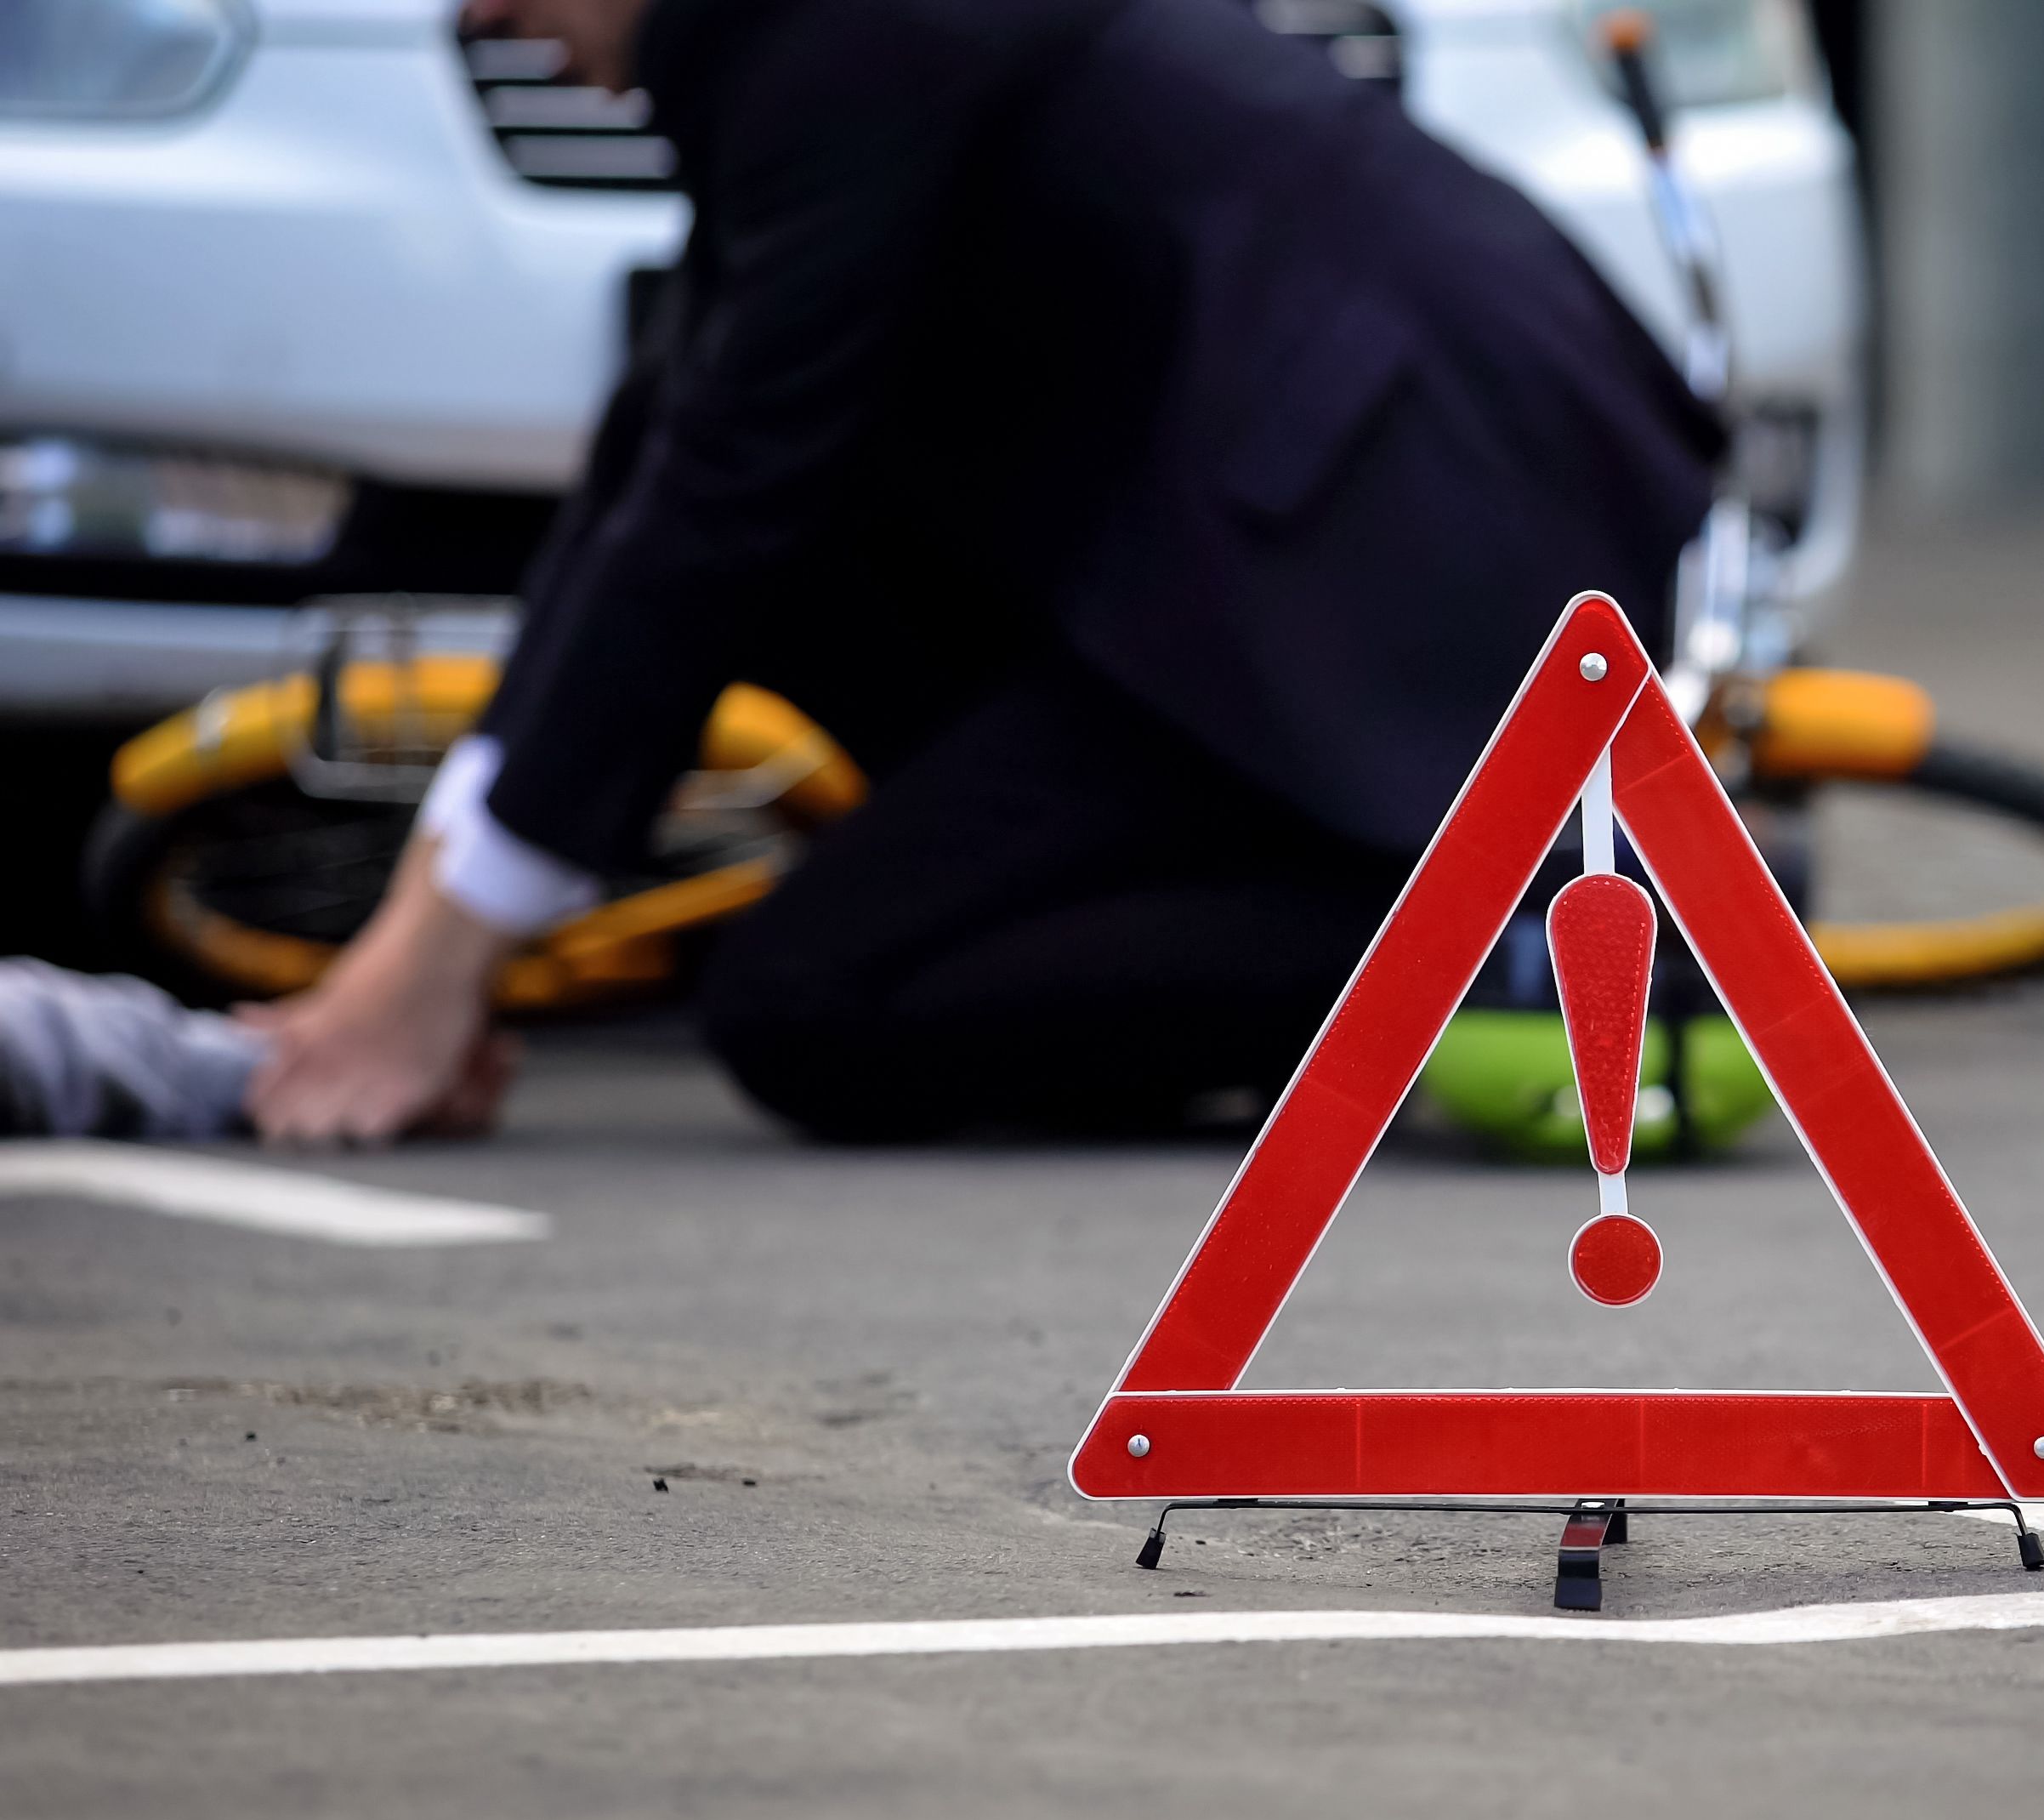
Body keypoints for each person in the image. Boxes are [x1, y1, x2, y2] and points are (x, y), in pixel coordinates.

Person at [235, 0, 1719, 1146]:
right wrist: (425, 941)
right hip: (1312, 517)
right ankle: (1451, 881)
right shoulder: (793, 39)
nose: (472, 18)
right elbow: (667, 452)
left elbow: (722, 492)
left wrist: (446, 958)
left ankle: (1544, 922)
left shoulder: (837, 36)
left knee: (812, 1006)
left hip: (1415, 537)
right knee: (794, 550)